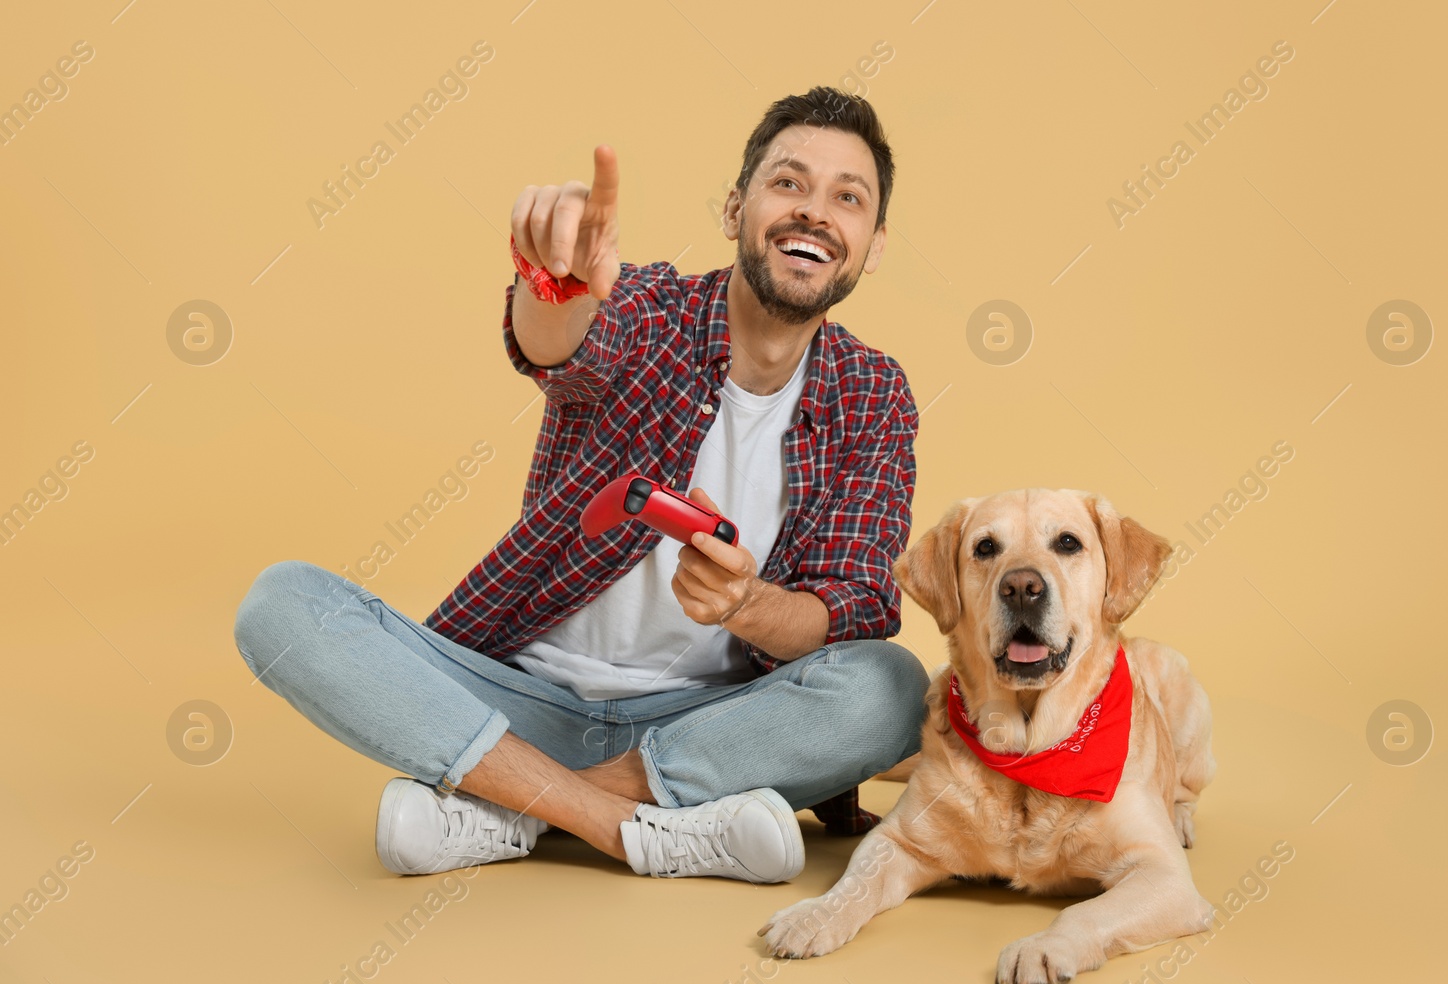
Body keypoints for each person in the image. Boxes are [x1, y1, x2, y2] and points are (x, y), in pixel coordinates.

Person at [232, 85, 927, 885]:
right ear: (736, 208)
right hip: (518, 701)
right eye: (789, 183)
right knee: (283, 604)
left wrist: (745, 605)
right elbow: (563, 346)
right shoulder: (651, 310)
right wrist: (551, 285)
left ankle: (504, 809)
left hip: (704, 723)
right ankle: (623, 826)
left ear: (872, 243)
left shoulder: (872, 393)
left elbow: (853, 608)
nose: (815, 212)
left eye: (848, 198)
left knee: (890, 685)